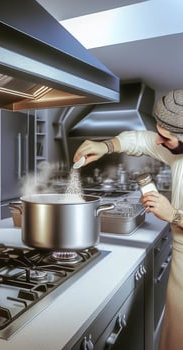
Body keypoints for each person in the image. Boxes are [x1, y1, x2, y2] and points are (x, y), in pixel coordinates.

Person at [73, 89, 183, 350]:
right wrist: (105, 146)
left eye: (165, 137)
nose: (158, 141)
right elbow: (142, 141)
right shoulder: (177, 152)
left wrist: (173, 214)